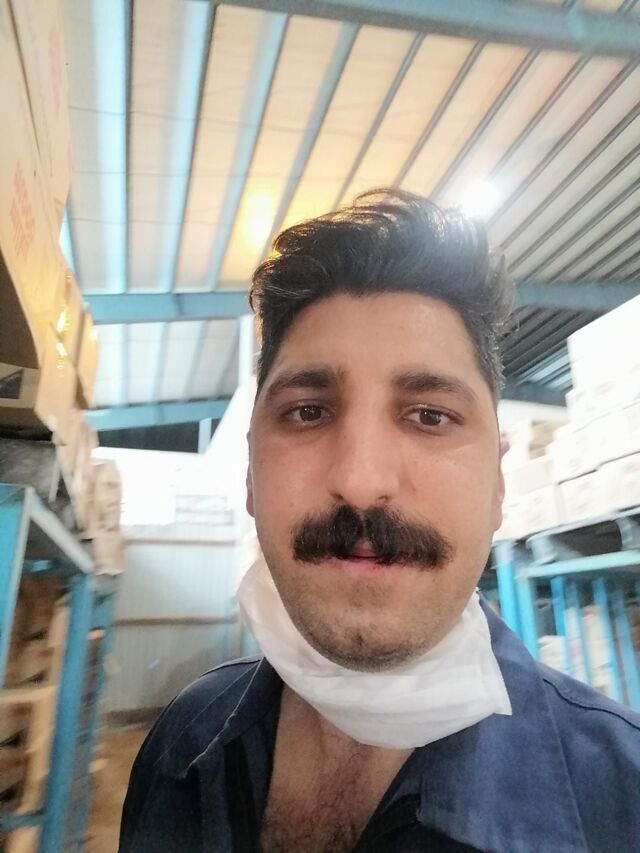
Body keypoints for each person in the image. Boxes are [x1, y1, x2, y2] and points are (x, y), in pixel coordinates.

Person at [119, 190, 640, 853]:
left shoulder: (623, 800)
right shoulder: (180, 745)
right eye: (308, 411)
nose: (361, 480)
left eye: (430, 415)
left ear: (498, 485)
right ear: (250, 475)